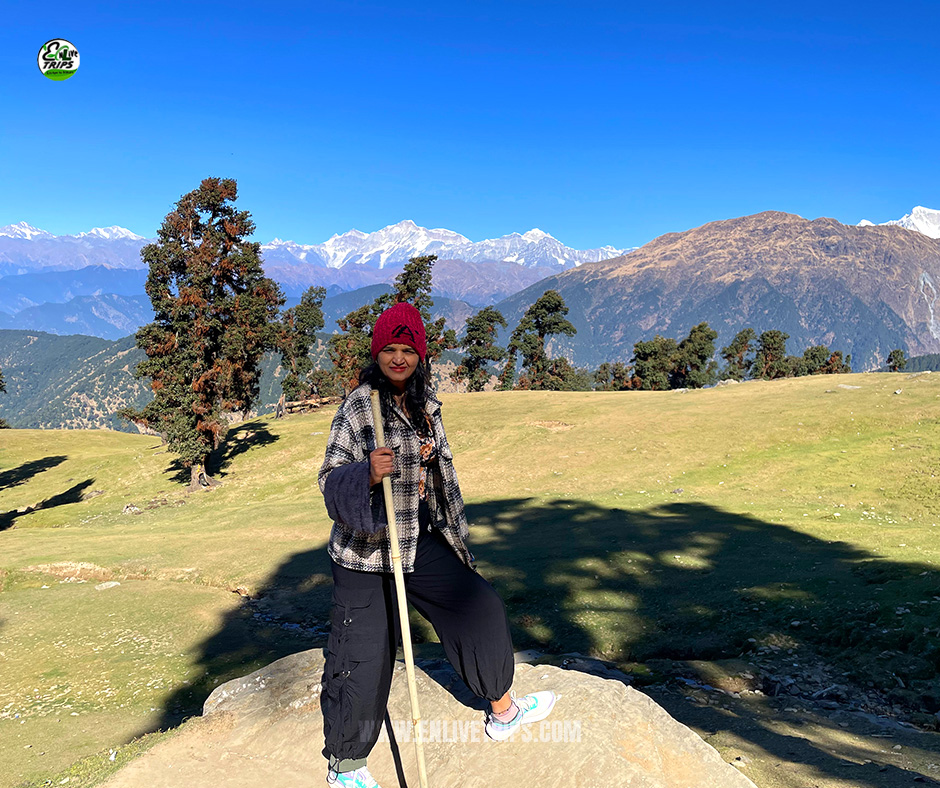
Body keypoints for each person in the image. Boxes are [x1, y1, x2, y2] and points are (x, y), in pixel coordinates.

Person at [319, 302, 556, 788]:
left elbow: (440, 476)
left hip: (415, 542)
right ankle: (346, 765)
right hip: (365, 553)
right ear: (377, 353)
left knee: (481, 606)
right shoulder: (360, 407)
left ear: (420, 356)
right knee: (363, 655)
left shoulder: (427, 407)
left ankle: (502, 711)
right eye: (390, 349)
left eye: (408, 349)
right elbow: (328, 478)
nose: (399, 358)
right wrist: (365, 473)